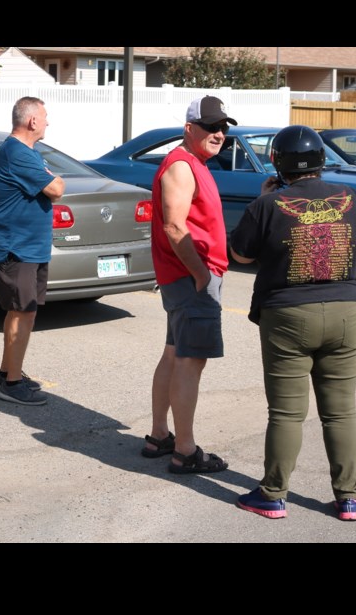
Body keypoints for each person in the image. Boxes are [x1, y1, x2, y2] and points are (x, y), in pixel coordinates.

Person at [230, 125, 356, 520]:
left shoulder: (268, 204)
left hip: (287, 314)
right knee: (340, 412)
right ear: (321, 160)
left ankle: (272, 494)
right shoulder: (350, 197)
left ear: (278, 163)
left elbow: (241, 255)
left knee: (286, 413)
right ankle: (349, 498)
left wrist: (266, 200)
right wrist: (347, 264)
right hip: (345, 310)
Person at [141, 96, 232, 474]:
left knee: (173, 355)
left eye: (223, 127)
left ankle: (160, 435)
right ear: (189, 128)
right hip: (190, 279)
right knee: (190, 362)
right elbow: (175, 226)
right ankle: (185, 449)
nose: (219, 133)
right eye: (211, 127)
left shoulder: (194, 161)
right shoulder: (181, 166)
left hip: (184, 279)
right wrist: (200, 274)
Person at [0, 96, 65, 405]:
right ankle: (12, 384)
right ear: (32, 121)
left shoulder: (25, 152)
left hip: (27, 248)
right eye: (44, 117)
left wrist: (51, 178)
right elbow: (56, 188)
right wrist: (53, 179)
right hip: (15, 248)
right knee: (24, 311)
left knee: (19, 311)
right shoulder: (17, 153)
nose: (47, 122)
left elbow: (51, 185)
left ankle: (7, 372)